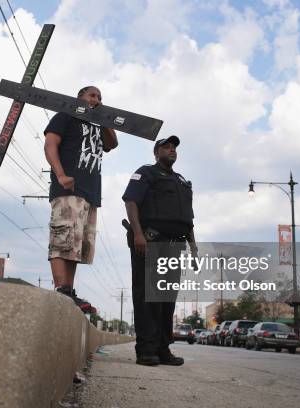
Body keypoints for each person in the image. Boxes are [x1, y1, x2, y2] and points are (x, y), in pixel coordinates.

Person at [122, 135, 197, 366]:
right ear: (156, 153)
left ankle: (163, 349)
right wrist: (138, 234)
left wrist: (193, 248)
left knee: (167, 299)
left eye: (174, 147)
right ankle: (146, 350)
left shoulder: (182, 181)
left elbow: (188, 219)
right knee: (147, 297)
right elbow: (131, 202)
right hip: (150, 240)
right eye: (166, 147)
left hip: (175, 246)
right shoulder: (146, 172)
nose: (172, 150)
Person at [44, 86, 118, 313]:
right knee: (62, 240)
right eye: (92, 95)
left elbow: (112, 144)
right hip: (68, 188)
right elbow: (50, 144)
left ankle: (68, 292)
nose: (96, 99)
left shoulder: (97, 124)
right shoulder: (66, 115)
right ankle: (62, 291)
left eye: (100, 97)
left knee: (76, 248)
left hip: (90, 193)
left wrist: (103, 115)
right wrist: (60, 174)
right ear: (79, 98)